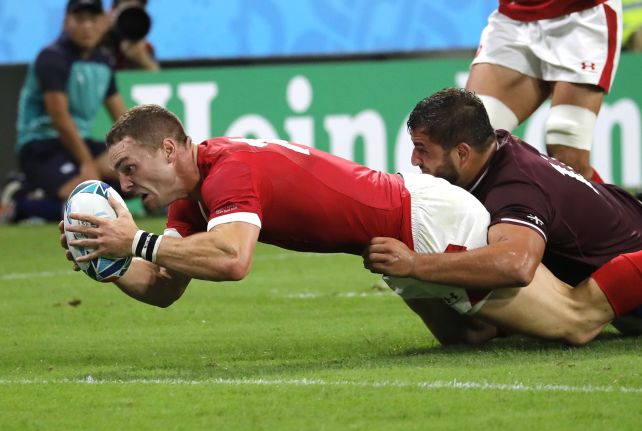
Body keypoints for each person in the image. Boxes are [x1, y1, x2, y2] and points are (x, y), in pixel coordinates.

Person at [60, 104, 642, 346]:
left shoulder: (228, 173)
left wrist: (130, 240)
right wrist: (104, 260)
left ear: (168, 148)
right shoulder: (191, 198)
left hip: (424, 224)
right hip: (398, 231)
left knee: (574, 322)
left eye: (130, 168)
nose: (127, 185)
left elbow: (233, 261)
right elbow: (163, 286)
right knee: (471, 340)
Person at [363, 87, 642, 343]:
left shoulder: (514, 190)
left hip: (633, 273)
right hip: (621, 240)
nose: (414, 159)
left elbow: (516, 265)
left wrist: (414, 264)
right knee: (470, 331)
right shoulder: (497, 148)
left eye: (422, 149)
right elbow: (469, 333)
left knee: (578, 321)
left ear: (462, 153)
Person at [466, 0, 623, 181]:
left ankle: (620, 210)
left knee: (567, 155)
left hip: (581, 15)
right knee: (472, 138)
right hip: (513, 18)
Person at [3, 0, 127, 224]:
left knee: (133, 179)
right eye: (80, 19)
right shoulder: (52, 57)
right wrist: (87, 164)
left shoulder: (104, 61)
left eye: (93, 19)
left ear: (104, 22)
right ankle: (19, 205)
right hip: (42, 144)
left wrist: (141, 158)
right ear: (66, 23)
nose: (87, 26)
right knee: (87, 205)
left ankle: (33, 189)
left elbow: (124, 119)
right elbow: (60, 120)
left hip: (80, 142)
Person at [100, 0, 159, 71]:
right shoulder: (98, 41)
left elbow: (159, 80)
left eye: (135, 12)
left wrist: (144, 60)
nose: (130, 19)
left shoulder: (144, 48)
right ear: (112, 12)